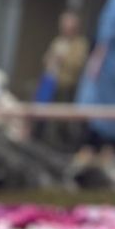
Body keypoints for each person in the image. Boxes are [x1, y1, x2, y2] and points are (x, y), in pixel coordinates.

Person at [74, 0, 115, 181]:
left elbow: (104, 39)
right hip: (109, 67)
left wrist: (95, 63)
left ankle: (95, 152)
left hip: (109, 69)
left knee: (96, 110)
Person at [35, 10, 90, 153]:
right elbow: (46, 58)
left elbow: (78, 64)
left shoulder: (80, 44)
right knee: (41, 113)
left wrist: (62, 59)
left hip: (66, 86)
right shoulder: (58, 41)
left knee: (62, 119)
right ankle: (37, 143)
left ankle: (64, 148)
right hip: (49, 82)